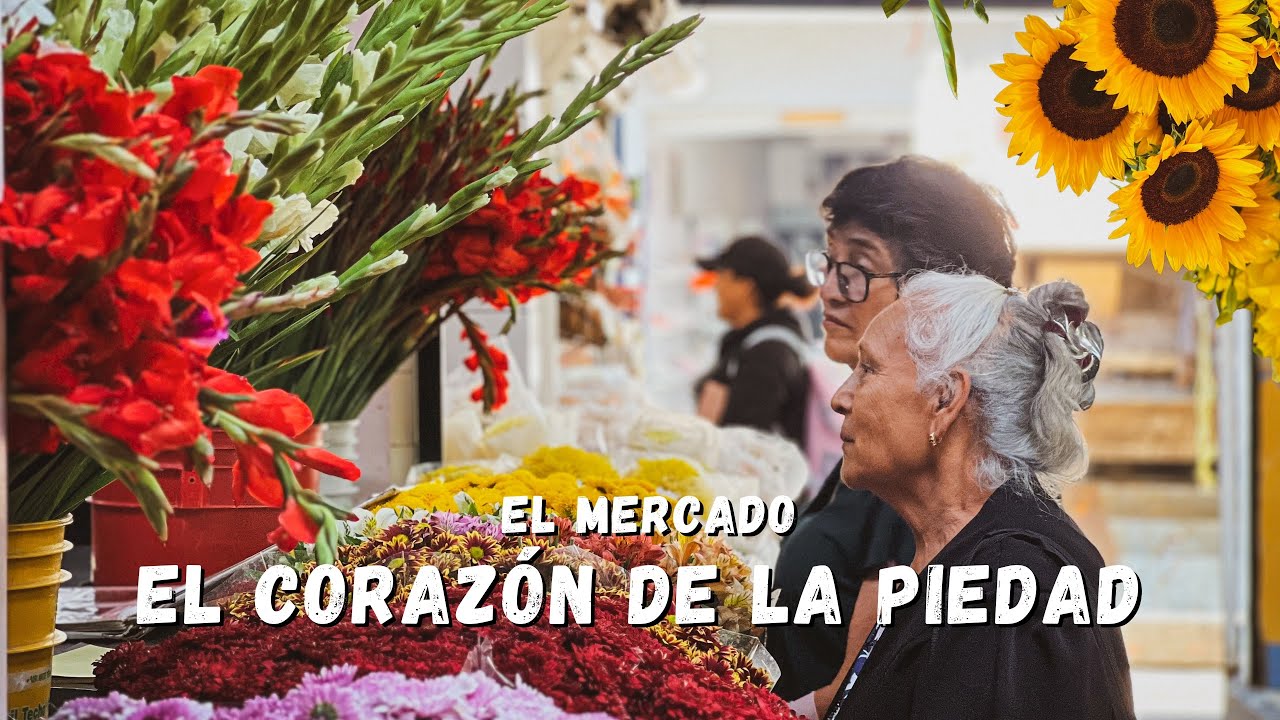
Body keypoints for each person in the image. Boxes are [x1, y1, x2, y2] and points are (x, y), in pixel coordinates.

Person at [809, 272, 1133, 720]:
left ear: (945, 400)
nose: (841, 398)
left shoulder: (1007, 583)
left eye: (867, 369)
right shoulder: (961, 555)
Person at [768, 156, 1018, 700]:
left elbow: (872, 687)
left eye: (856, 270)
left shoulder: (930, 473)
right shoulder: (884, 439)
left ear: (935, 301)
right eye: (829, 264)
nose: (830, 291)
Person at [693, 235, 816, 448]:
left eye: (722, 276)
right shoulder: (753, 342)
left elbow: (745, 444)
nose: (715, 288)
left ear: (746, 287)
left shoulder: (769, 354)